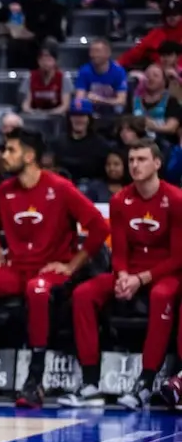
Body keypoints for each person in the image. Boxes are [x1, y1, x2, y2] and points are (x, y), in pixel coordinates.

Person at [0, 129, 108, 409]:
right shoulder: (6, 190)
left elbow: (98, 228)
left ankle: (35, 380)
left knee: (38, 290)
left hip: (49, 271)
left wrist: (71, 265)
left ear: (29, 156)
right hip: (16, 268)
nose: (5, 156)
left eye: (11, 150)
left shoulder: (60, 187)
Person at [63, 140, 182, 411]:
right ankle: (90, 383)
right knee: (83, 293)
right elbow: (118, 251)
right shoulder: (120, 200)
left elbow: (177, 257)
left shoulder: (175, 199)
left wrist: (141, 279)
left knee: (162, 295)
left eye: (141, 159)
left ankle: (145, 382)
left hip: (166, 273)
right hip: (131, 272)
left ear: (157, 163)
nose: (135, 165)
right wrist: (123, 276)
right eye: (131, 160)